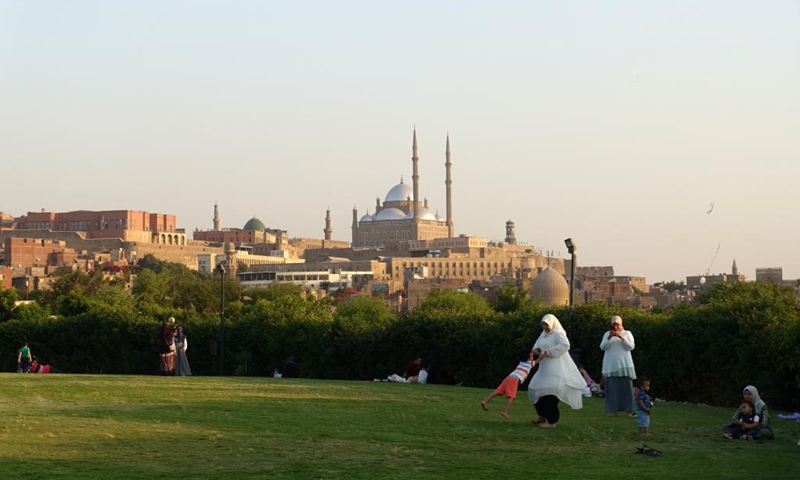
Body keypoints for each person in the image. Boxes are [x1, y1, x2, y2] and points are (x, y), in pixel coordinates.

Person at [528, 314, 585, 428]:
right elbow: (537, 345)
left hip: (556, 369)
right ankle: (542, 415)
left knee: (550, 392)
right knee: (534, 388)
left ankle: (552, 422)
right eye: (543, 324)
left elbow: (565, 345)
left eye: (547, 324)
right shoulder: (543, 334)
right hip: (544, 369)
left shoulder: (558, 333)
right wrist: (535, 351)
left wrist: (549, 352)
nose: (545, 327)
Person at [600, 315, 636, 417]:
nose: (615, 328)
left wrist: (621, 337)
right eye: (613, 325)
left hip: (624, 365)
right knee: (612, 390)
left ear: (621, 325)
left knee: (627, 389)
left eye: (617, 325)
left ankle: (629, 410)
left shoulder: (627, 333)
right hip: (611, 366)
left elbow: (630, 346)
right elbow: (603, 347)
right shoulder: (607, 334)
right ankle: (612, 410)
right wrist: (609, 337)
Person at [481, 351, 536, 419]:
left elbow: (531, 354)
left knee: (498, 391)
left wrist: (533, 352)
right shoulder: (530, 363)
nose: (533, 357)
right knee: (511, 396)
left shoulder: (521, 362)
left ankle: (485, 401)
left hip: (509, 377)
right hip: (514, 379)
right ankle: (504, 411)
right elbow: (539, 360)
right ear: (529, 359)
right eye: (532, 356)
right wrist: (544, 355)